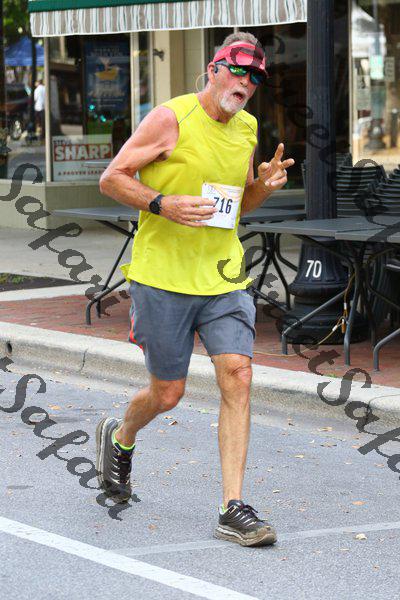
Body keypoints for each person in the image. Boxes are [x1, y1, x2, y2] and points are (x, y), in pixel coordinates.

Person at [96, 31, 295, 547]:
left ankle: (233, 507)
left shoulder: (247, 127)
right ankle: (121, 437)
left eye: (255, 77)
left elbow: (236, 205)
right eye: (238, 70)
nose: (246, 83)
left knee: (239, 375)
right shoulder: (171, 118)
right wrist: (163, 204)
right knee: (168, 393)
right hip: (163, 277)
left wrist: (262, 187)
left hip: (223, 276)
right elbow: (112, 178)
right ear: (214, 69)